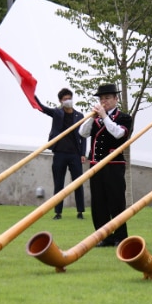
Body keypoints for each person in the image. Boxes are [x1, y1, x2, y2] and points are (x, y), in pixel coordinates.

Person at [79, 84, 132, 247]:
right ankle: (103, 236)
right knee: (98, 202)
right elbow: (82, 133)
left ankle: (120, 236)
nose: (104, 101)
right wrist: (91, 117)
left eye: (108, 98)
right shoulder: (95, 118)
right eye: (102, 98)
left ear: (116, 99)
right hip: (95, 164)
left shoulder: (124, 117)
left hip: (113, 164)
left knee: (116, 201)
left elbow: (119, 133)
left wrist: (104, 116)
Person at [35, 88, 86, 220]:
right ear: (60, 101)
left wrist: (83, 153)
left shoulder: (79, 116)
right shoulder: (57, 113)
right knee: (59, 183)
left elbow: (84, 136)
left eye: (69, 98)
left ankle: (80, 211)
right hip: (59, 153)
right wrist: (32, 96)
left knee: (78, 182)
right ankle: (58, 212)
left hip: (75, 154)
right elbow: (42, 108)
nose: (68, 101)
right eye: (65, 99)